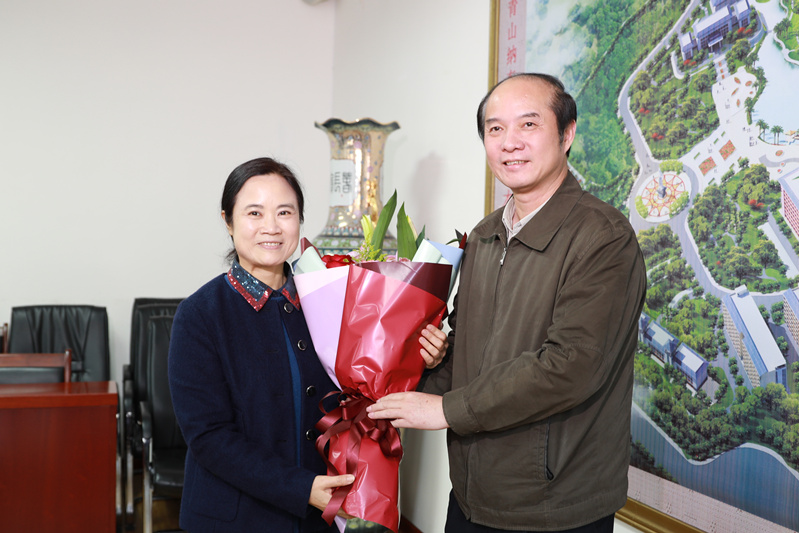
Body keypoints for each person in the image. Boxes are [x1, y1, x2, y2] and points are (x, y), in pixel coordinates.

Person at [367, 73, 647, 533]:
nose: (509, 143)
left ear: (567, 133)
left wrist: (444, 410)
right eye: (495, 129)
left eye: (528, 124)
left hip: (552, 506)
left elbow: (571, 366)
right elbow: (470, 349)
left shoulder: (603, 238)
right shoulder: (484, 235)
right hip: (472, 494)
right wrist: (433, 360)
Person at [168, 157, 448, 532]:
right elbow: (208, 438)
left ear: (299, 220)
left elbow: (365, 387)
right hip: (235, 519)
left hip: (319, 516)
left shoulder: (330, 299)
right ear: (228, 221)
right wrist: (302, 488)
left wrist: (423, 359)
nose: (271, 227)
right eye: (254, 213)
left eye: (284, 212)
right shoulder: (199, 315)